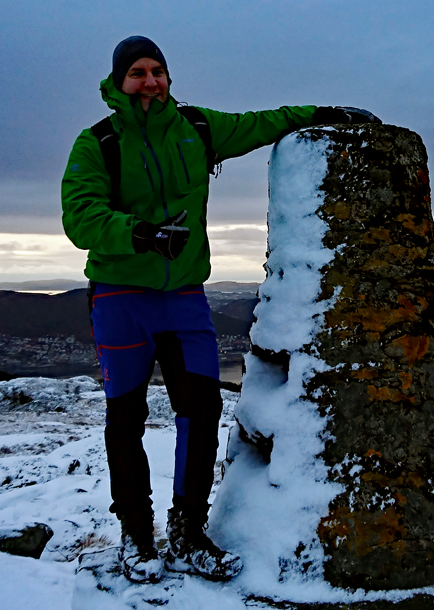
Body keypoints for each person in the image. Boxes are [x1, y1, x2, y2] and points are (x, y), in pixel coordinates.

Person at [60, 35, 379, 583]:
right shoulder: (98, 144)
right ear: (119, 82)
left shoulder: (198, 129)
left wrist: (324, 113)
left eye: (157, 70)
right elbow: (79, 216)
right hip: (119, 298)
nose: (150, 81)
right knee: (126, 419)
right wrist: (138, 233)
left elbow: (262, 122)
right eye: (137, 72)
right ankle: (137, 539)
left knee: (201, 410)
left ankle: (187, 533)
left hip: (183, 298)